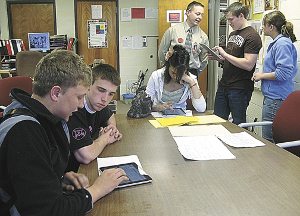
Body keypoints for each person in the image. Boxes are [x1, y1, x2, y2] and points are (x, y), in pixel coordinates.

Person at [0, 50, 128, 216]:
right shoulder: (25, 132)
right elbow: (49, 210)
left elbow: (27, 181)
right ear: (55, 93)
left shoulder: (45, 119)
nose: (82, 105)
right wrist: (98, 189)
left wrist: (58, 180)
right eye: (79, 97)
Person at [208, 2, 262, 125]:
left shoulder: (252, 36)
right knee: (217, 121)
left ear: (241, 15)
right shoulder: (233, 34)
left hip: (239, 88)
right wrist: (220, 59)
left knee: (238, 124)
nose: (229, 23)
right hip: (224, 85)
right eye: (228, 20)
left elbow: (248, 64)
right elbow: (233, 60)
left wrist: (225, 55)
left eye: (231, 19)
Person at [66, 63, 122, 172]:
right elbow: (85, 156)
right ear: (88, 86)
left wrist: (111, 128)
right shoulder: (76, 108)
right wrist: (106, 138)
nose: (105, 99)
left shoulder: (98, 105)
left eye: (111, 94)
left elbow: (110, 115)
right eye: (101, 90)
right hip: (69, 173)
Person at [252, 11, 297, 142]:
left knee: (269, 139)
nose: (262, 27)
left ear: (271, 27)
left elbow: (283, 73)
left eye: (264, 25)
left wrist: (262, 76)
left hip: (276, 98)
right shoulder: (279, 43)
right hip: (274, 97)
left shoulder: (282, 44)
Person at [146, 44, 206, 113]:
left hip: (180, 118)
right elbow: (144, 105)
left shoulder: (190, 79)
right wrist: (159, 107)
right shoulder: (156, 76)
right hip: (159, 117)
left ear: (186, 69)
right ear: (168, 66)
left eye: (180, 73)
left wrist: (192, 82)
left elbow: (201, 109)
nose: (175, 77)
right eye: (173, 73)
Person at [158, 1, 209, 76]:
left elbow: (204, 59)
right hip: (173, 71)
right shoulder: (173, 30)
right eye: (197, 14)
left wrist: (196, 73)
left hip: (191, 72)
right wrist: (166, 68)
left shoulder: (203, 36)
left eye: (202, 15)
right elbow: (162, 51)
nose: (200, 17)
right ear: (188, 12)